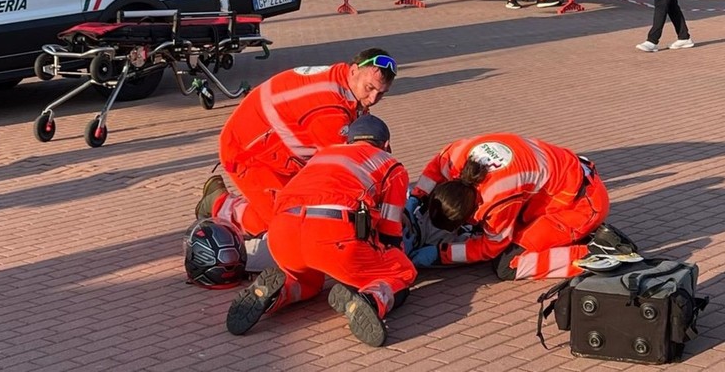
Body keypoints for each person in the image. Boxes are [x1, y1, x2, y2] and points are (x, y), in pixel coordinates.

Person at [225, 115, 417, 347]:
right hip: (332, 234)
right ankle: (370, 299)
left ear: (348, 141)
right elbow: (390, 229)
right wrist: (393, 257)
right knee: (402, 271)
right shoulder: (391, 165)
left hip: (282, 232)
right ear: (386, 144)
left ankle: (278, 294)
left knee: (309, 283)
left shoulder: (323, 155)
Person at [195, 48, 398, 238]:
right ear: (353, 71)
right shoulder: (329, 108)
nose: (373, 98)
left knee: (300, 213)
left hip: (278, 151)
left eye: (381, 93)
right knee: (283, 223)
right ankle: (220, 205)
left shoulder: (345, 84)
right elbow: (341, 171)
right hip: (249, 153)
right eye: (370, 88)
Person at [403, 133, 635, 281]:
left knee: (509, 265)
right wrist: (417, 196)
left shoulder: (496, 199)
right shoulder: (456, 157)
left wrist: (441, 254)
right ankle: (582, 237)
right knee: (503, 234)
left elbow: (490, 247)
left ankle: (600, 252)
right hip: (570, 183)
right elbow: (435, 168)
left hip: (581, 206)